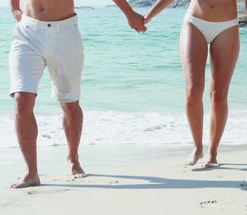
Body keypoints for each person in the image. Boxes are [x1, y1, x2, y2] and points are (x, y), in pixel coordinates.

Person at [8, 0, 147, 188]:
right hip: (27, 32)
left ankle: (73, 158)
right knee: (21, 100)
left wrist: (129, 14)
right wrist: (15, 10)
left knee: (70, 104)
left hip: (65, 34)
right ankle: (31, 172)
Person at [144, 0, 247, 167]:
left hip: (226, 26)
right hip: (195, 23)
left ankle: (213, 152)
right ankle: (197, 147)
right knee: (193, 91)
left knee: (219, 95)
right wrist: (148, 17)